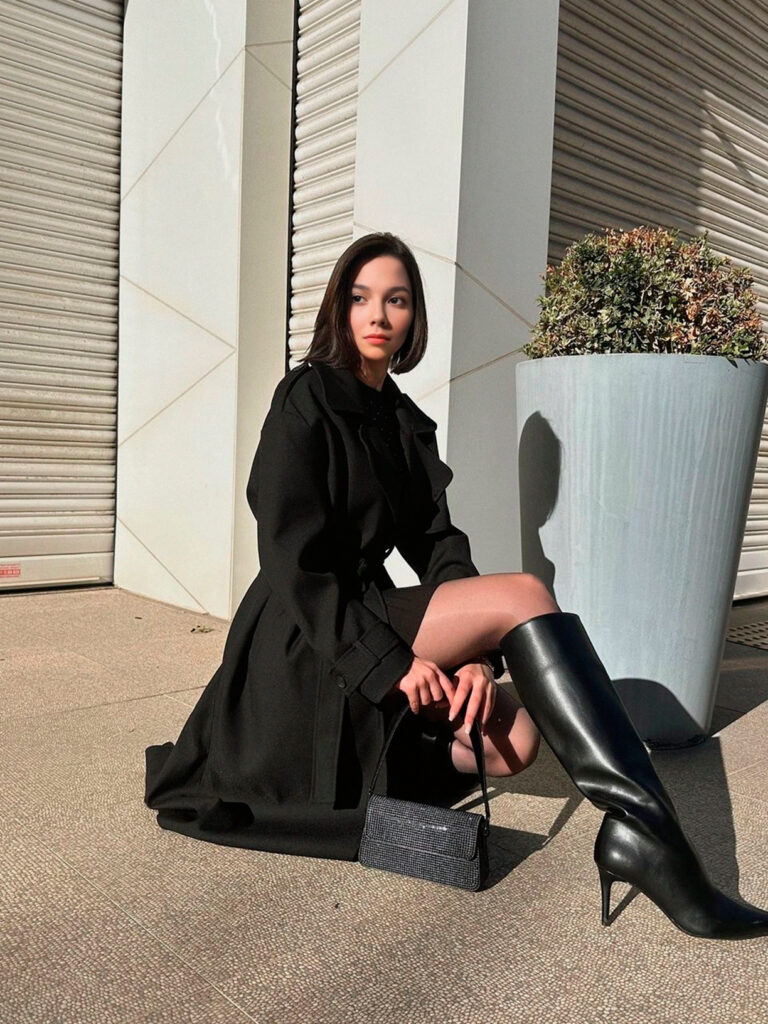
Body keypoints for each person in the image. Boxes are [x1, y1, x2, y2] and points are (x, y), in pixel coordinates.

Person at [145, 232, 768, 941]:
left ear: (414, 317)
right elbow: (293, 560)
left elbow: (439, 545)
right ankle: (651, 841)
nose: (378, 314)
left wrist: (473, 658)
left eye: (397, 300)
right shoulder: (305, 399)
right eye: (361, 298)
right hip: (303, 637)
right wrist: (392, 664)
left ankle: (619, 826)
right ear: (339, 309)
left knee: (514, 742)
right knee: (526, 595)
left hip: (362, 617)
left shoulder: (403, 423)